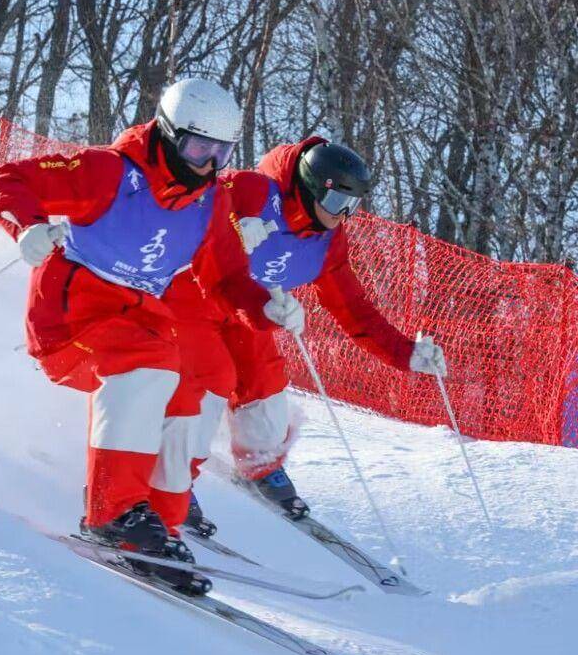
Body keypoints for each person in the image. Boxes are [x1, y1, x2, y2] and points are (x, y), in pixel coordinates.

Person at [0, 78, 271, 593]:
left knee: (193, 388)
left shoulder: (208, 203)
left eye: (220, 151)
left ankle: (158, 523)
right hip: (71, 322)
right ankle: (112, 516)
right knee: (148, 365)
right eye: (198, 147)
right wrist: (26, 227)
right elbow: (9, 179)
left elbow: (226, 278)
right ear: (167, 131)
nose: (207, 162)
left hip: (138, 321)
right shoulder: (109, 171)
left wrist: (267, 306)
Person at [174, 138, 448, 534]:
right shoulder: (251, 192)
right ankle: (169, 480)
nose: (342, 217)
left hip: (248, 311)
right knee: (209, 380)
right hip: (192, 298)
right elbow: (186, 202)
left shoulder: (327, 242)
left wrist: (406, 353)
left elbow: (353, 309)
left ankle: (260, 463)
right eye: (338, 204)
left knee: (265, 379)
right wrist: (227, 229)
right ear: (312, 186)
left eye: (352, 209)